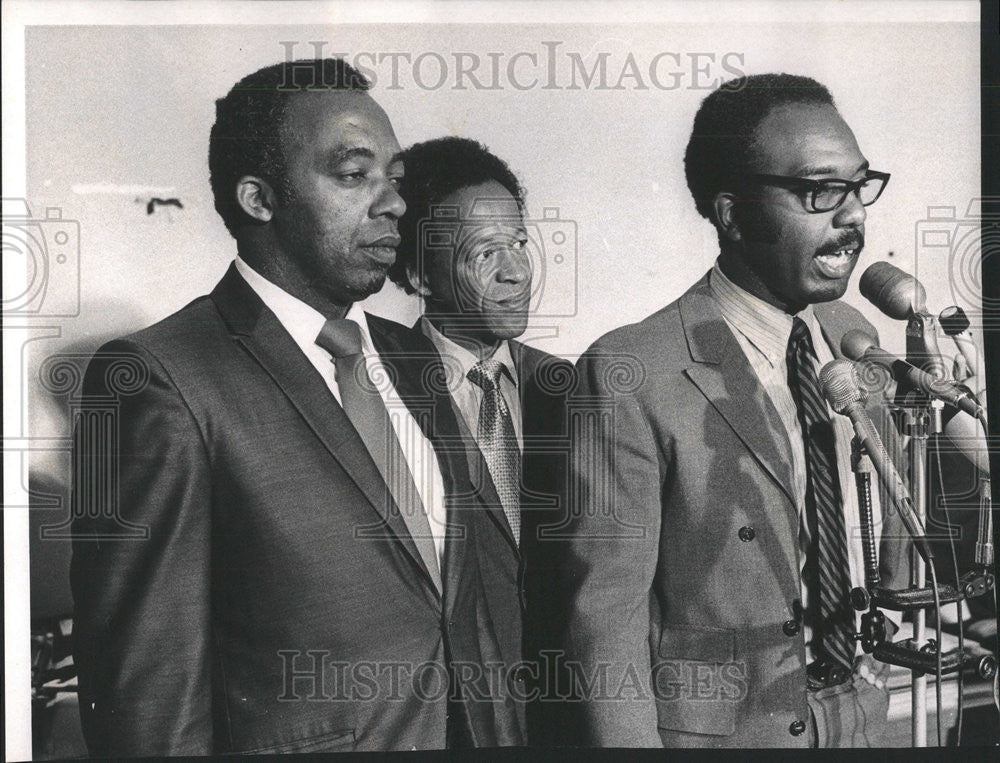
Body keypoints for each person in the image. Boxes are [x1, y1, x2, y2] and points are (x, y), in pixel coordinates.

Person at [70, 59, 509, 755]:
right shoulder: (159, 377)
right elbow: (147, 695)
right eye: (354, 174)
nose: (394, 202)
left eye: (394, 178)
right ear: (258, 198)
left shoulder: (416, 357)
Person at [555, 73, 910, 748]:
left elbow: (887, 543)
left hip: (865, 724)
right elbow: (605, 625)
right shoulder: (631, 370)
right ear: (732, 213)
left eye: (860, 186)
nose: (855, 215)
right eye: (819, 191)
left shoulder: (849, 331)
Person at [387, 137, 574, 743]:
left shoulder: (570, 389)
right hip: (447, 721)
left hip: (568, 710)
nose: (517, 271)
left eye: (519, 244)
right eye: (485, 252)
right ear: (418, 273)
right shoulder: (374, 390)